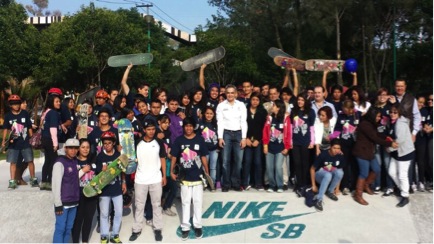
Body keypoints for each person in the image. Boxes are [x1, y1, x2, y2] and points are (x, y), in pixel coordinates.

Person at [170, 118, 209, 241]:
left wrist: (207, 171)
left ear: (194, 127)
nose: (188, 128)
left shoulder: (200, 139)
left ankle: (197, 226)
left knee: (197, 202)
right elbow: (174, 157)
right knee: (185, 203)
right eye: (186, 126)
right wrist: (171, 171)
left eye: (190, 126)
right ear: (184, 127)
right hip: (184, 177)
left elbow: (203, 156)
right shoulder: (179, 140)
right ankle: (185, 227)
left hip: (198, 177)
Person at [129, 120, 166, 242]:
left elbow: (162, 159)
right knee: (139, 206)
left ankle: (158, 229)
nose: (151, 131)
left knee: (157, 205)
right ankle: (136, 229)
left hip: (156, 178)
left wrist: (164, 176)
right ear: (144, 130)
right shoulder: (137, 143)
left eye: (153, 129)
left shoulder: (159, 142)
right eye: (148, 129)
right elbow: (130, 157)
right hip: (140, 179)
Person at [352, 107, 398, 205]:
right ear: (372, 116)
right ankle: (358, 194)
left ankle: (366, 184)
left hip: (369, 152)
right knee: (363, 173)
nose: (379, 118)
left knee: (376, 169)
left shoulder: (372, 124)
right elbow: (375, 138)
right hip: (362, 152)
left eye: (380, 117)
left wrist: (386, 137)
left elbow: (377, 134)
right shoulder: (365, 124)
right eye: (377, 116)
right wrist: (389, 144)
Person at [52, 138, 89, 243]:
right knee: (60, 229)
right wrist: (58, 204)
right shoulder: (59, 162)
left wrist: (83, 170)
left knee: (68, 229)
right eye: (70, 148)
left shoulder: (74, 161)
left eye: (75, 148)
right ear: (65, 148)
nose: (73, 150)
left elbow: (73, 177)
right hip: (63, 203)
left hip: (74, 202)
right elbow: (56, 184)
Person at [95, 131, 126, 243]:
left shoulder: (118, 155)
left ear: (113, 143)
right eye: (105, 143)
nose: (107, 145)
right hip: (104, 190)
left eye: (109, 143)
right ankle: (104, 235)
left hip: (117, 189)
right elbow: (97, 176)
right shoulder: (100, 157)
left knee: (118, 212)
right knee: (104, 213)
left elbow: (122, 170)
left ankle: (115, 234)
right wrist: (102, 172)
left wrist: (123, 182)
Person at [2, 94, 38, 189]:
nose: (16, 105)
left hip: (25, 142)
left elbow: (29, 126)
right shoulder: (8, 116)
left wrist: (32, 138)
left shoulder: (25, 113)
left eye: (18, 103)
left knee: (30, 160)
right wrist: (4, 140)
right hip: (13, 143)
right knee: (13, 162)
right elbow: (5, 128)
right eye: (14, 104)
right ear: (10, 105)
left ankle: (33, 179)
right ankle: (13, 181)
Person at [216, 84, 247, 192]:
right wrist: (220, 137)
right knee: (225, 161)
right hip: (226, 134)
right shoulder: (221, 106)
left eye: (232, 93)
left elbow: (243, 121)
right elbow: (220, 122)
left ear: (236, 94)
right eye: (228, 92)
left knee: (238, 161)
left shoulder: (241, 105)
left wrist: (244, 138)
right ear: (225, 94)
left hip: (239, 133)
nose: (230, 94)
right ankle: (226, 184)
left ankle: (236, 184)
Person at [387, 104, 415, 207]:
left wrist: (389, 149)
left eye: (395, 112)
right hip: (397, 152)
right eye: (391, 112)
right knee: (392, 172)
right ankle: (402, 189)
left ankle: (405, 196)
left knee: (402, 175)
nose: (392, 114)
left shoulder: (401, 124)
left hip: (404, 152)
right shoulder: (393, 122)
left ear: (399, 113)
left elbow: (400, 140)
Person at [262, 100, 292, 193]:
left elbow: (289, 133)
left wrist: (287, 147)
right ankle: (272, 185)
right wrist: (265, 145)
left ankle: (280, 185)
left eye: (274, 105)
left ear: (278, 107)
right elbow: (265, 132)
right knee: (269, 167)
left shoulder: (286, 118)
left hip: (281, 148)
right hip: (270, 146)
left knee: (278, 167)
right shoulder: (269, 118)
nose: (272, 107)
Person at [72, 139, 97, 243]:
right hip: (78, 195)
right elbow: (71, 179)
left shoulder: (94, 161)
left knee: (88, 219)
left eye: (87, 147)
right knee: (78, 220)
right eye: (83, 147)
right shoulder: (73, 161)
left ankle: (85, 241)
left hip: (92, 195)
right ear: (78, 148)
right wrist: (83, 171)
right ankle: (75, 241)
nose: (86, 149)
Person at [334, 100, 361, 194]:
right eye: (343, 109)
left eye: (345, 109)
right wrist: (332, 137)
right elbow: (337, 129)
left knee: (354, 166)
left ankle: (354, 186)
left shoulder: (358, 115)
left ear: (351, 109)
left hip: (355, 145)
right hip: (343, 144)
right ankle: (345, 186)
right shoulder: (341, 115)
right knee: (344, 165)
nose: (344, 110)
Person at [310, 139, 345, 211]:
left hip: (329, 174)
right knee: (328, 175)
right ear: (330, 147)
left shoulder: (340, 156)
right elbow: (312, 169)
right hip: (319, 175)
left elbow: (339, 171)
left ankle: (330, 191)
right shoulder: (323, 154)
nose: (336, 150)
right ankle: (319, 199)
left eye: (338, 148)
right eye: (334, 148)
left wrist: (337, 188)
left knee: (340, 172)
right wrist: (313, 185)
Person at [291, 93, 315, 191]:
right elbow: (291, 127)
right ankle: (299, 184)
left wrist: (312, 141)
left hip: (306, 141)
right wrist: (290, 141)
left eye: (302, 100)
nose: (300, 102)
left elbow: (312, 127)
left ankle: (305, 183)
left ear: (306, 101)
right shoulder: (293, 111)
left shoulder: (311, 111)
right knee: (297, 163)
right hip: (295, 142)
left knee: (305, 163)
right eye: (298, 100)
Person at [372, 88, 395, 196]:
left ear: (388, 96)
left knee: (387, 164)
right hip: (376, 140)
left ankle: (389, 186)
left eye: (384, 95)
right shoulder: (373, 108)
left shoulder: (390, 107)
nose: (382, 97)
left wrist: (391, 139)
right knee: (378, 164)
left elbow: (396, 119)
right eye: (380, 95)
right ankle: (377, 184)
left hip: (386, 140)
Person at [243, 92, 267, 191]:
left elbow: (264, 128)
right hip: (247, 140)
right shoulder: (245, 110)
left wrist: (258, 139)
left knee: (258, 162)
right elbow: (242, 125)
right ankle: (245, 183)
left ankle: (258, 184)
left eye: (257, 100)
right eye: (253, 99)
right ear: (250, 100)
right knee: (247, 162)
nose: (255, 101)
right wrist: (246, 138)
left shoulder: (263, 112)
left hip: (258, 141)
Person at [40, 94, 62, 191]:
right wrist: (55, 144)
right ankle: (49, 181)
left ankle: (44, 182)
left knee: (47, 161)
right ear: (51, 103)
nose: (59, 103)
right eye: (56, 101)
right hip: (50, 140)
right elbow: (53, 129)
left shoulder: (46, 112)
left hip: (45, 139)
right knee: (54, 161)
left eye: (59, 101)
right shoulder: (53, 113)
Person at [197, 107, 219, 187]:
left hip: (214, 149)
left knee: (213, 167)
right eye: (207, 113)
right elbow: (198, 137)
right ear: (204, 114)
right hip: (204, 150)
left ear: (214, 115)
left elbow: (219, 136)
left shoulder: (216, 124)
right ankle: (204, 183)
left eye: (211, 114)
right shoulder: (201, 124)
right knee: (203, 167)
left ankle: (212, 183)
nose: (209, 115)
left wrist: (218, 147)